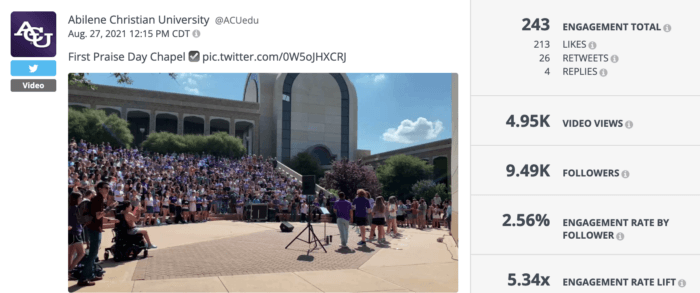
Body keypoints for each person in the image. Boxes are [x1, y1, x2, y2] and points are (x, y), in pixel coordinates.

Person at [78, 182, 108, 286]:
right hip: (94, 228)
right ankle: (83, 278)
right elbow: (98, 216)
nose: (108, 190)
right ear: (100, 189)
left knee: (94, 253)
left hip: (94, 228)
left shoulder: (98, 198)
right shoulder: (98, 199)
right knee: (93, 254)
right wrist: (108, 209)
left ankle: (91, 274)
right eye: (106, 188)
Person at [68, 192, 85, 280]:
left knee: (70, 254)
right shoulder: (76, 208)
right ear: (76, 199)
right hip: (75, 233)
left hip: (71, 233)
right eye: (80, 198)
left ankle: (69, 274)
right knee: (81, 253)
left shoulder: (70, 208)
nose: (81, 200)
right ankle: (70, 270)